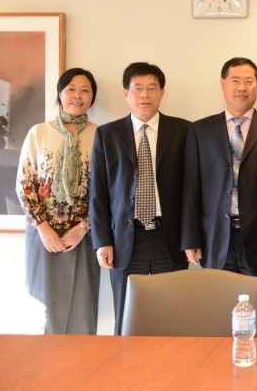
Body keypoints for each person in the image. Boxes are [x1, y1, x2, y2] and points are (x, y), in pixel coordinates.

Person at [90, 62, 190, 335]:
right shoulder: (107, 134)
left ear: (162, 92)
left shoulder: (183, 131)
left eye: (152, 88)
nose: (145, 95)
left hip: (169, 238)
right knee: (126, 319)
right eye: (138, 88)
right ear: (126, 93)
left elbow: (192, 190)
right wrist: (102, 241)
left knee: (171, 318)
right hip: (124, 239)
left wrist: (191, 239)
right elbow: (98, 193)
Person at [181, 57, 257, 277]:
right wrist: (190, 238)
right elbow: (191, 188)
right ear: (222, 84)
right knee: (217, 298)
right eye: (235, 81)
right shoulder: (199, 130)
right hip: (214, 237)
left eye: (248, 81)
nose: (242, 87)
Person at [15, 68, 100, 334]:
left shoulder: (101, 135)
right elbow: (25, 183)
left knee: (83, 310)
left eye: (85, 90)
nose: (78, 96)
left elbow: (107, 190)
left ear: (92, 97)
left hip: (84, 236)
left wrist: (83, 227)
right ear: (60, 94)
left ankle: (81, 359)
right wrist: (43, 228)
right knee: (42, 312)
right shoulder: (38, 133)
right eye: (71, 89)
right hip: (42, 235)